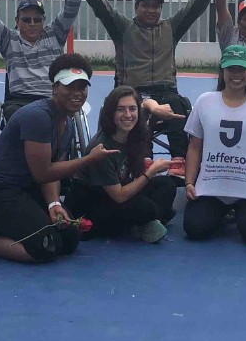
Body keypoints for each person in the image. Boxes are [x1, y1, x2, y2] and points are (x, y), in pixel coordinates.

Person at [0, 53, 118, 263]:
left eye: (82, 87)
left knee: (70, 237)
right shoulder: (38, 116)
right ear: (55, 87)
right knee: (45, 248)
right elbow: (43, 172)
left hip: (24, 190)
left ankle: (0, 226)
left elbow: (54, 170)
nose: (77, 93)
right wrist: (89, 159)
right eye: (69, 86)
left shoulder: (66, 123)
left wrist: (53, 204)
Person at [83, 0, 226, 167]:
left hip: (165, 89)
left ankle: (179, 159)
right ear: (136, 7)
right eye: (146, 5)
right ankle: (144, 158)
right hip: (132, 89)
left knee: (178, 105)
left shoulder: (170, 27)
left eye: (156, 6)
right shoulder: (123, 28)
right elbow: (102, 8)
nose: (151, 10)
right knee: (137, 108)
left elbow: (196, 6)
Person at [182, 45, 246, 244]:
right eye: (231, 69)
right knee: (194, 228)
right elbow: (195, 146)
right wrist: (189, 182)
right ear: (222, 71)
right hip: (212, 190)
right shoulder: (205, 102)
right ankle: (222, 213)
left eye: (241, 69)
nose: (236, 75)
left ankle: (241, 213)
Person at [65, 87, 177, 243]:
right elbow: (118, 196)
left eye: (132, 109)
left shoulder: (133, 132)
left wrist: (155, 107)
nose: (128, 115)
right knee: (146, 208)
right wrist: (150, 172)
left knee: (167, 185)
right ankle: (145, 222)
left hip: (117, 190)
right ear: (111, 113)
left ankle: (145, 222)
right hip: (93, 203)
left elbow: (146, 104)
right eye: (120, 110)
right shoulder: (102, 148)